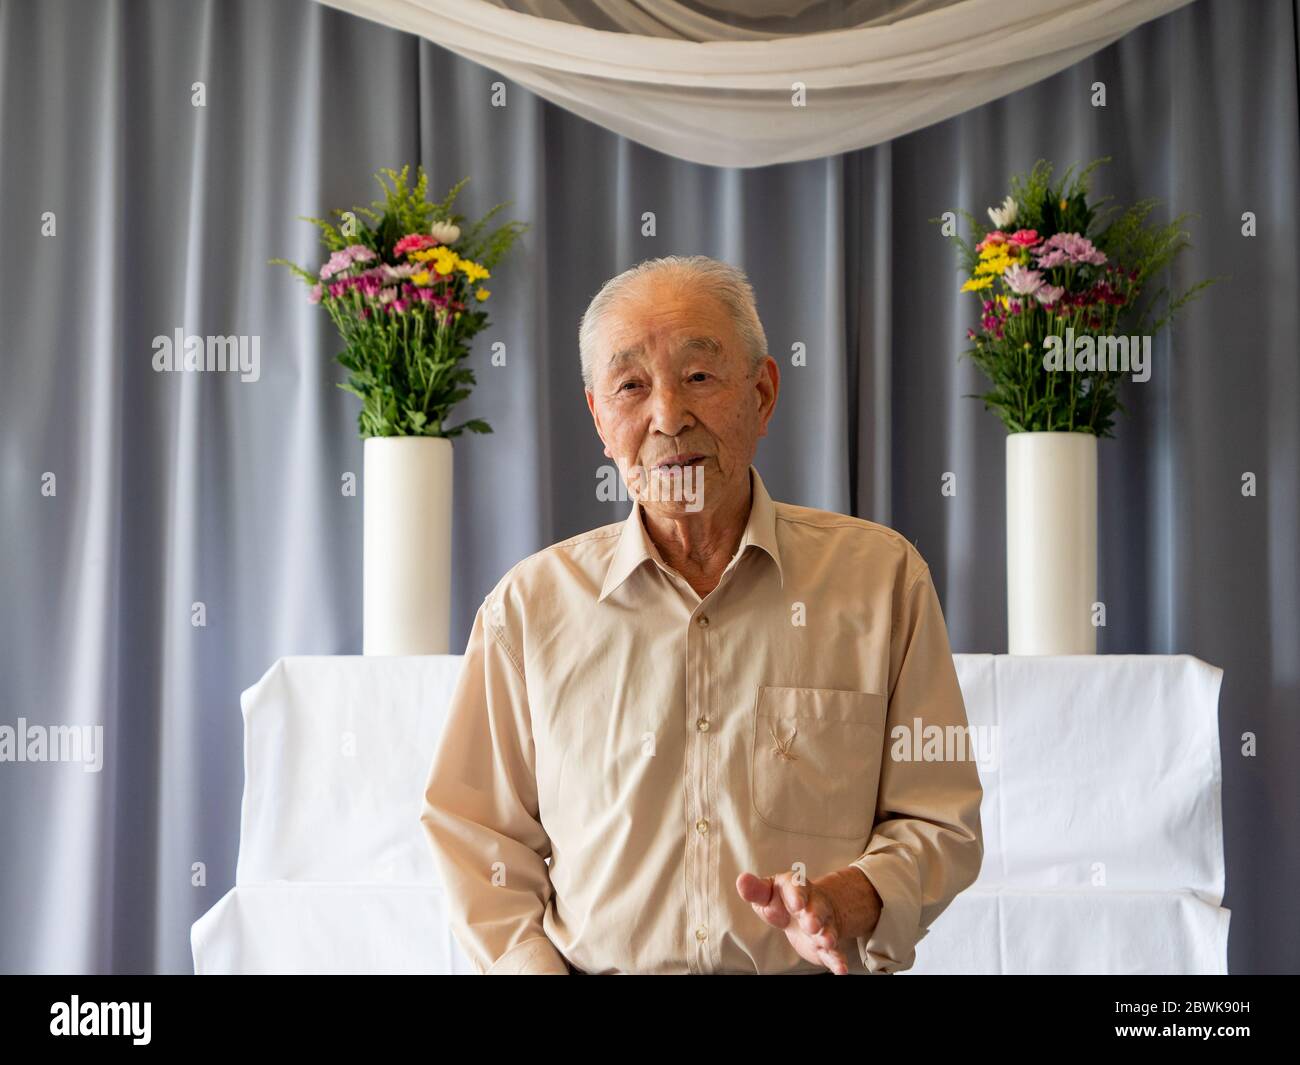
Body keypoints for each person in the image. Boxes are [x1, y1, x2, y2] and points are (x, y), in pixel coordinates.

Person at [419, 255, 983, 974]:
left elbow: (940, 818)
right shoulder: (529, 609)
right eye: (630, 385)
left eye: (698, 377)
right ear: (599, 416)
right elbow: (474, 830)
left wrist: (853, 896)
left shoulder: (882, 582)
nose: (667, 416)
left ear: (764, 393)